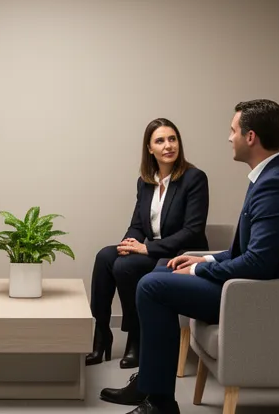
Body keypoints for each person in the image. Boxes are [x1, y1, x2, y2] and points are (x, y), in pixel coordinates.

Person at [99, 99, 279, 414]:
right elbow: (247, 250)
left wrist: (196, 273)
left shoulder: (276, 186)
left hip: (264, 297)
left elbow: (258, 264)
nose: (229, 137)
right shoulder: (272, 176)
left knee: (152, 287)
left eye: (233, 130)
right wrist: (204, 260)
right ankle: (148, 384)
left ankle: (159, 404)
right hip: (254, 287)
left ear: (250, 137)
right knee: (161, 270)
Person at [87, 118, 209, 369]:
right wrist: (127, 244)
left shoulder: (194, 178)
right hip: (152, 251)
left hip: (179, 254)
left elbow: (192, 231)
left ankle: (136, 336)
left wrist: (146, 248)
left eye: (172, 139)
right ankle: (101, 333)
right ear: (150, 148)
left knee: (125, 267)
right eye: (160, 141)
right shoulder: (145, 181)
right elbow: (138, 225)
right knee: (105, 257)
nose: (168, 145)